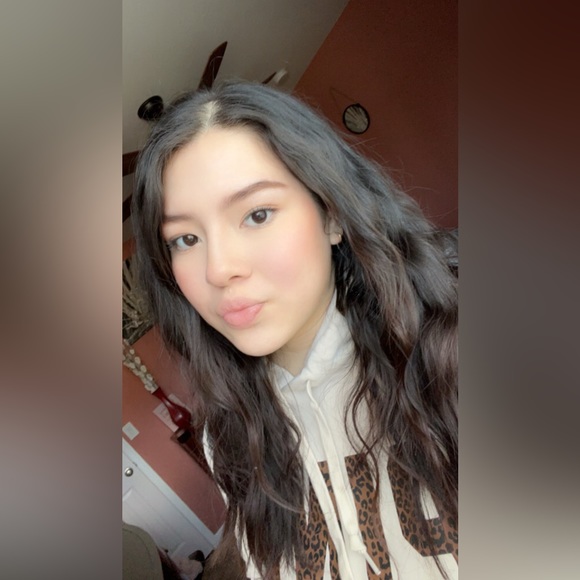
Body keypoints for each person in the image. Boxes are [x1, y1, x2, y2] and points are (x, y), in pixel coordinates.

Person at [131, 81, 458, 580]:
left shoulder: (449, 354)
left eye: (257, 214)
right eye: (186, 239)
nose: (219, 269)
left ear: (331, 214)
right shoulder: (230, 436)